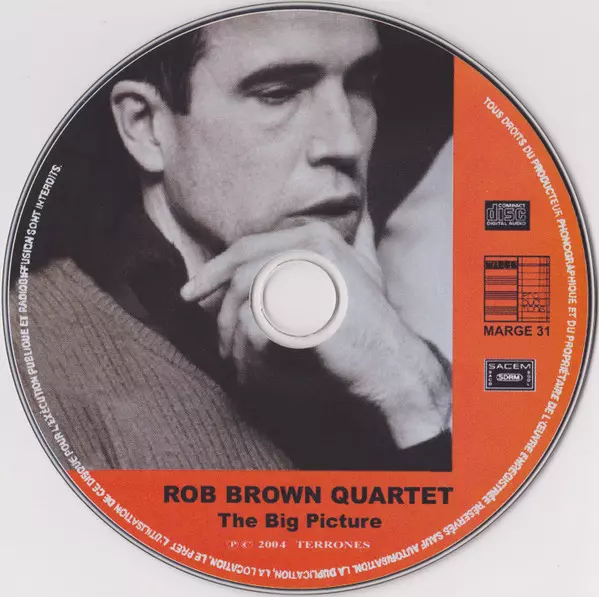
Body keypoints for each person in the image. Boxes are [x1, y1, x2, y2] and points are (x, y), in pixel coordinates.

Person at [12, 10, 451, 470]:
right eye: (278, 94)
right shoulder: (32, 366)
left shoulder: (397, 356)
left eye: (359, 86)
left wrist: (414, 394)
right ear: (146, 126)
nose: (346, 142)